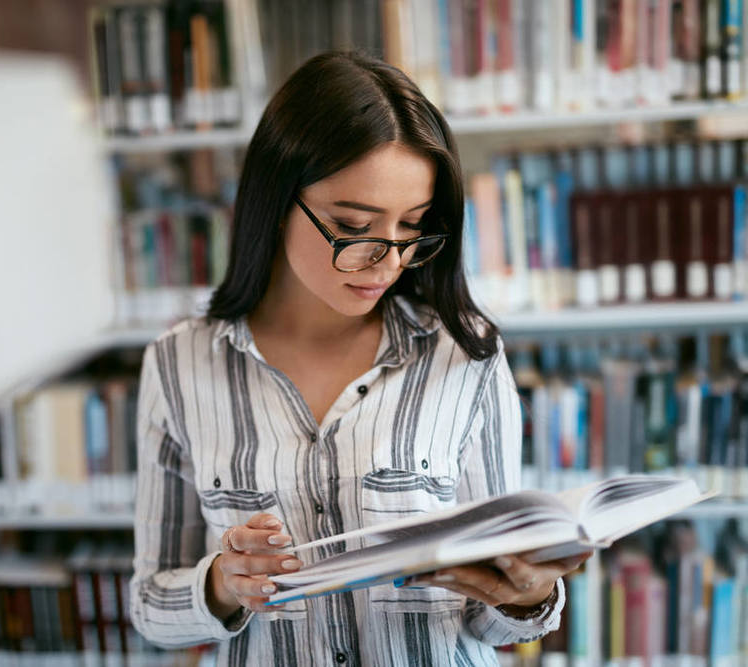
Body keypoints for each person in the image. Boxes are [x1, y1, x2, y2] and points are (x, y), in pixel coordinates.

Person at [129, 50, 589, 666]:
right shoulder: (177, 365)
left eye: (413, 229)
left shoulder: (465, 354)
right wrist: (221, 584)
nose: (389, 261)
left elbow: (493, 625)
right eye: (354, 226)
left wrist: (527, 595)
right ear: (276, 198)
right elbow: (151, 608)